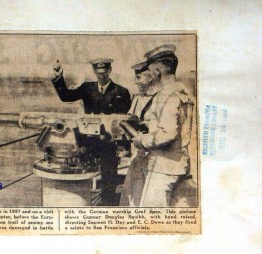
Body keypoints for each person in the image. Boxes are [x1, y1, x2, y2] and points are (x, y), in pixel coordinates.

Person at [52, 58, 131, 206]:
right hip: (89, 144)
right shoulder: (87, 88)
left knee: (109, 182)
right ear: (94, 72)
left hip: (108, 144)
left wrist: (123, 146)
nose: (102, 76)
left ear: (110, 71)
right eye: (98, 73)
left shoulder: (121, 92)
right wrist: (59, 77)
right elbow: (66, 97)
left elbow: (123, 123)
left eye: (104, 72)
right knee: (80, 175)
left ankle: (107, 211)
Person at [131, 45, 194, 207]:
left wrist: (142, 140)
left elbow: (168, 133)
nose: (150, 76)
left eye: (151, 72)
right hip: (179, 165)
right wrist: (150, 125)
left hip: (162, 167)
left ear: (158, 71)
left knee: (152, 218)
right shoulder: (183, 91)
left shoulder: (166, 94)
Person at [119, 61, 160, 206]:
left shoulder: (160, 98)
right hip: (138, 153)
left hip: (154, 154)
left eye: (138, 77)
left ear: (150, 77)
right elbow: (131, 120)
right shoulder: (137, 98)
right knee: (131, 196)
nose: (135, 82)